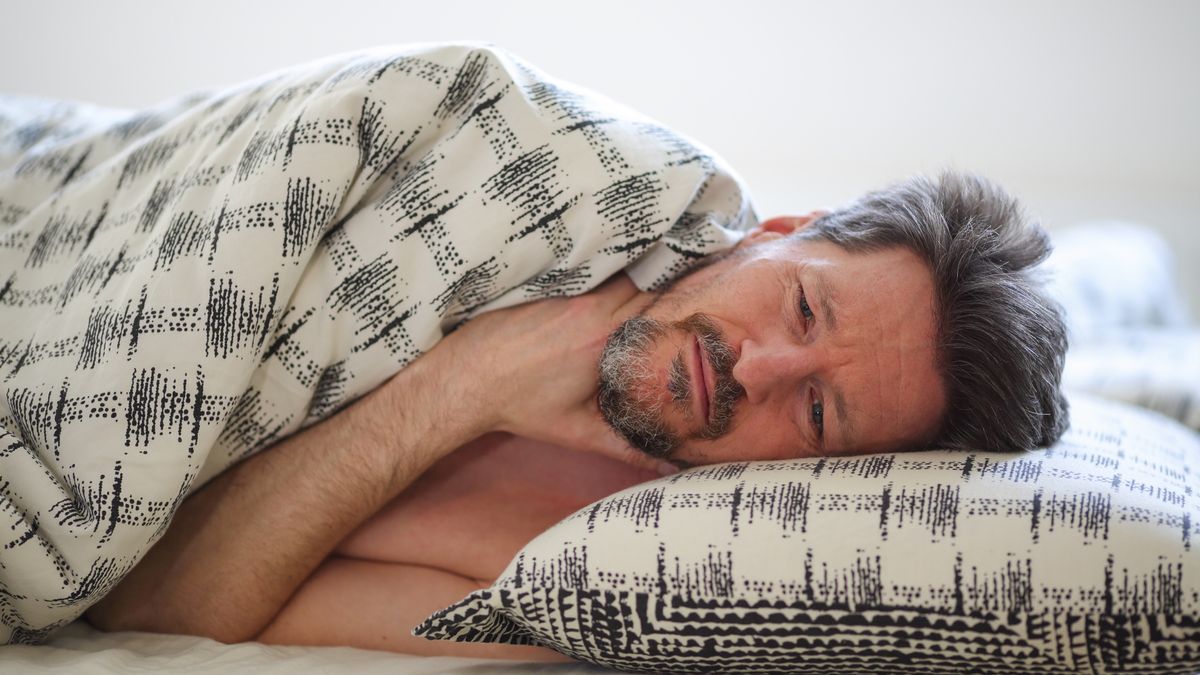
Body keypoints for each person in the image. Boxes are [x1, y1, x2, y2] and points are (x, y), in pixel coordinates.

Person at [83, 171, 1069, 659]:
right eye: (802, 305)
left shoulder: (587, 565)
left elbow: (144, 602)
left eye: (817, 412)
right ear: (774, 234)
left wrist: (459, 388)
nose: (756, 365)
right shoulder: (580, 204)